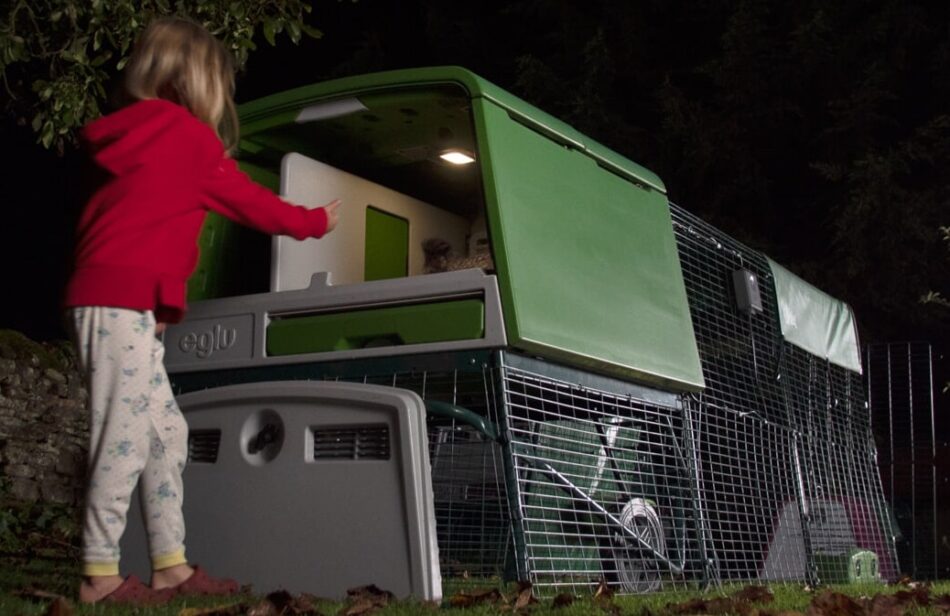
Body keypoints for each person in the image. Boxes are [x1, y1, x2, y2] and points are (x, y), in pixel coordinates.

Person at [63, 16, 341, 605]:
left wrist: (156, 300)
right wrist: (317, 222)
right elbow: (253, 204)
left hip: (111, 300)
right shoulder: (189, 140)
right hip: (118, 303)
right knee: (123, 437)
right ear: (204, 84)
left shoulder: (130, 136)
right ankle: (98, 574)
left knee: (165, 431)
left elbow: (134, 226)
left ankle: (170, 565)